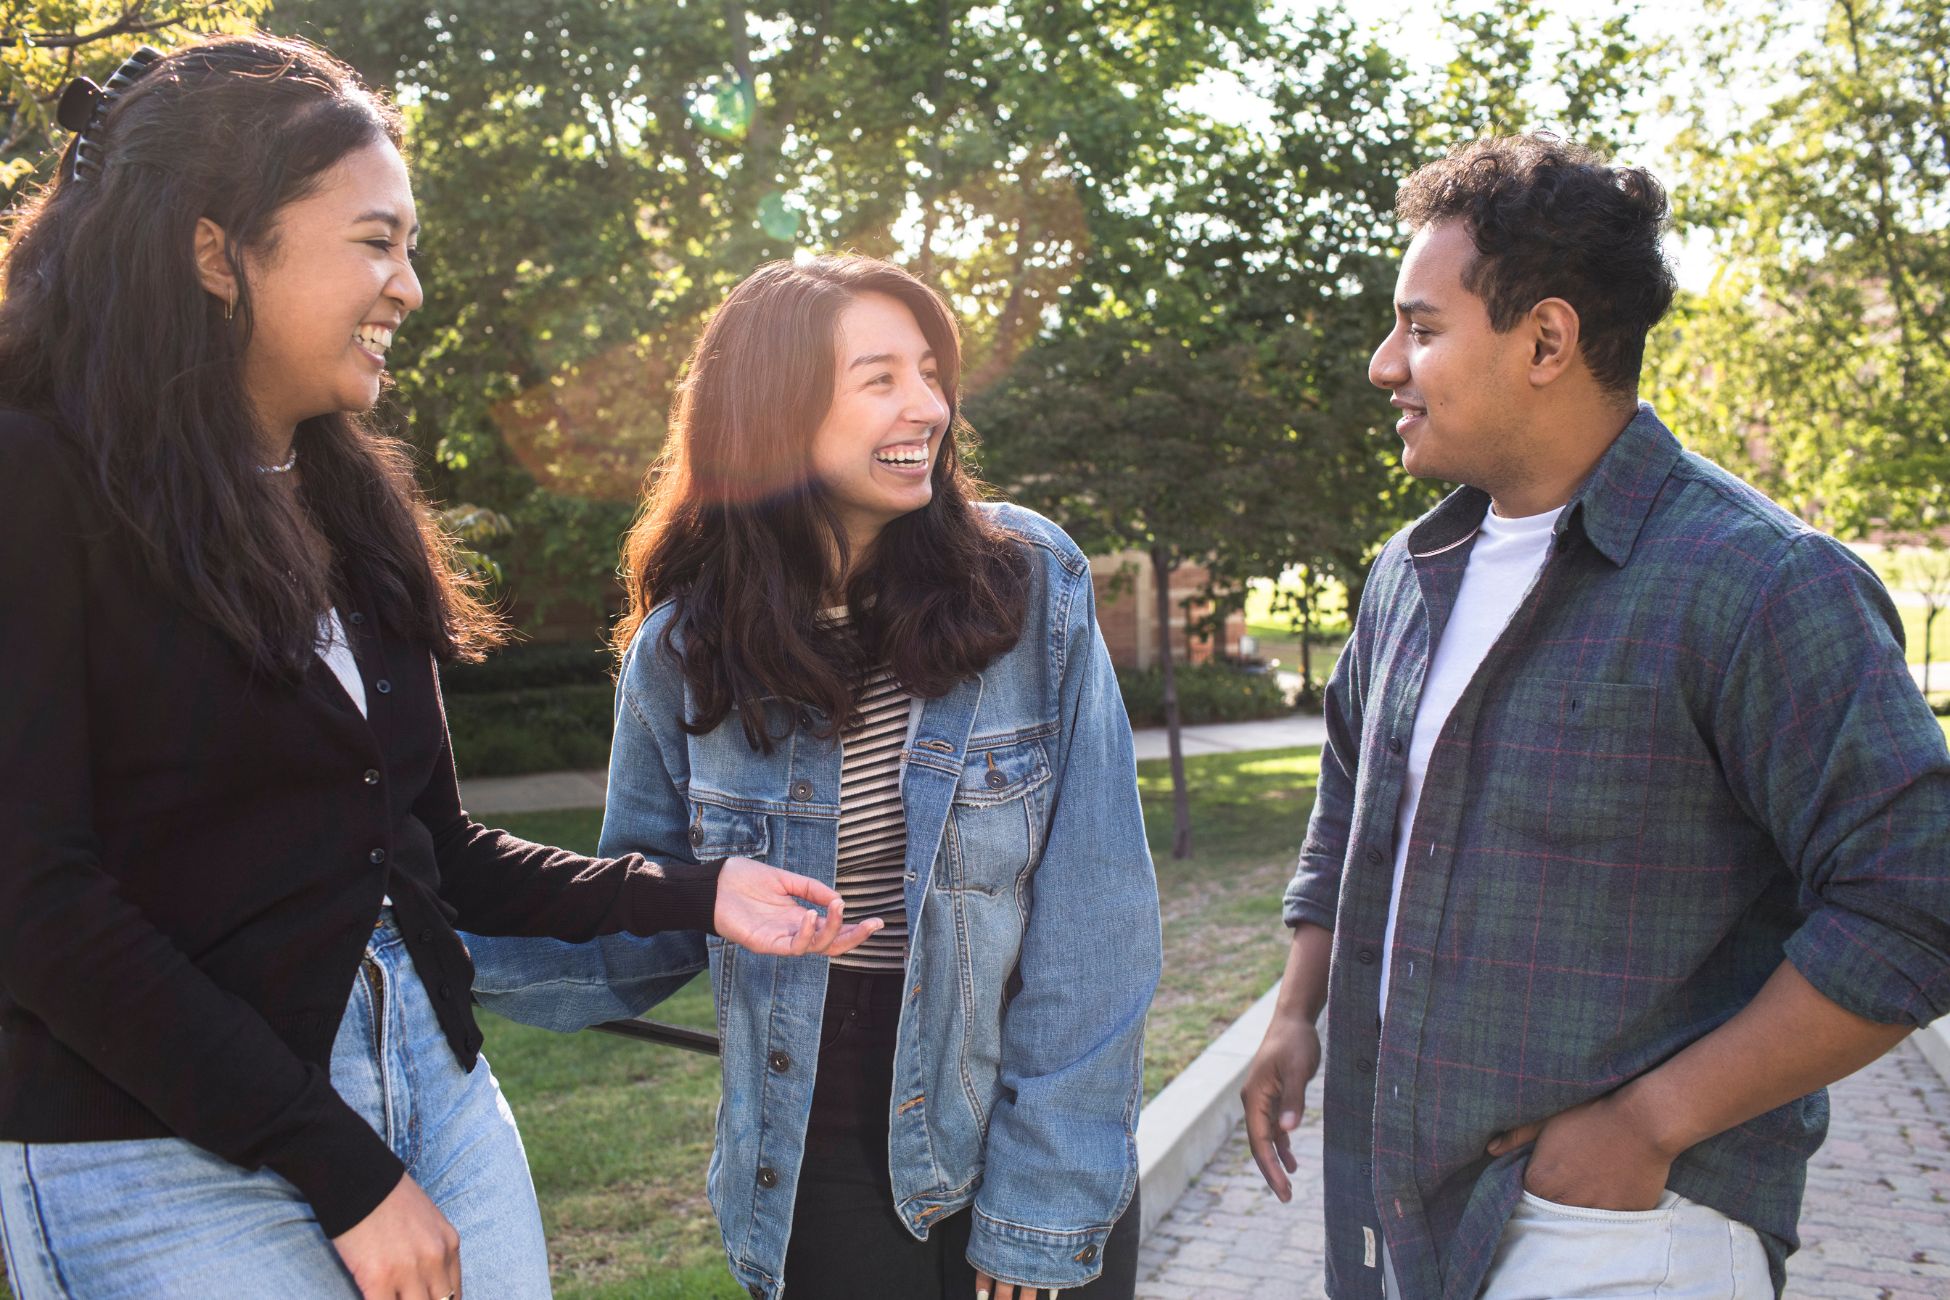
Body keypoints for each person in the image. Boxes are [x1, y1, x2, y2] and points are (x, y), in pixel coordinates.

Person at [0, 35, 873, 1300]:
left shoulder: (344, 501)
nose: (409, 286)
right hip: (159, 1145)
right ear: (214, 251)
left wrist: (698, 889)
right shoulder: (34, 480)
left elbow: (431, 849)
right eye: (375, 241)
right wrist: (339, 1168)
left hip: (435, 1087)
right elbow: (35, 907)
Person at [1239, 134, 1950, 1299]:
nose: (1383, 364)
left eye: (1421, 327)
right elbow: (1350, 805)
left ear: (1548, 340)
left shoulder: (1760, 581)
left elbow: (1916, 895)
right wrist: (1294, 1012)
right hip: (1404, 1219)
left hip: (1625, 1231)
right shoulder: (1407, 574)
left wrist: (1650, 1124)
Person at [468, 255, 1162, 1300]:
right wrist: (418, 948)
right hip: (815, 1154)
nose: (926, 404)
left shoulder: (1029, 585)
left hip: (1018, 1128)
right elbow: (645, 917)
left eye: (930, 372)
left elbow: (1098, 918)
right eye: (879, 377)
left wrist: (1039, 1204)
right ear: (773, 411)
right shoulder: (681, 655)